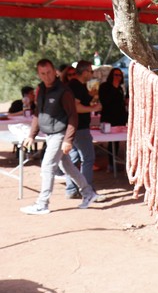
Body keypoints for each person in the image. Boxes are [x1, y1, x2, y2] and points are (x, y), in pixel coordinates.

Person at [20, 59, 99, 215]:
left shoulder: (64, 90)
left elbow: (73, 116)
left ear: (54, 71)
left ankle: (42, 204)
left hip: (60, 133)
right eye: (43, 73)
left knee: (48, 165)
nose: (47, 76)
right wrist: (31, 135)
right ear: (39, 74)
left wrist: (68, 140)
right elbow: (38, 113)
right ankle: (89, 193)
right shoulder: (41, 89)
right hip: (49, 134)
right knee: (67, 166)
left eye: (49, 72)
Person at [66, 60, 102, 200]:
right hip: (79, 127)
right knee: (88, 158)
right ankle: (87, 190)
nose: (92, 74)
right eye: (91, 71)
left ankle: (72, 189)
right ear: (85, 71)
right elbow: (75, 107)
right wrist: (93, 108)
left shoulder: (77, 86)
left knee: (73, 159)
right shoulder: (76, 86)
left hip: (73, 127)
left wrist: (92, 97)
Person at [99, 68, 128, 171]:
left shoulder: (120, 88)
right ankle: (111, 164)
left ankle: (118, 162)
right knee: (112, 142)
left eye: (120, 75)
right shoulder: (104, 87)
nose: (118, 77)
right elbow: (105, 101)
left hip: (120, 118)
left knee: (119, 142)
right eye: (116, 75)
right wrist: (114, 87)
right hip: (109, 118)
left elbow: (121, 103)